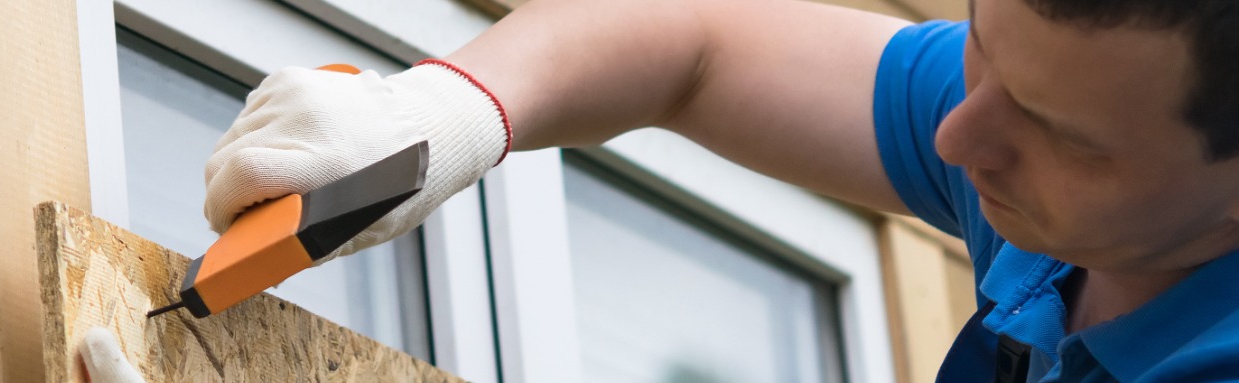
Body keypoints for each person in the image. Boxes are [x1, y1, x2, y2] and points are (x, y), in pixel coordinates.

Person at [89, 0, 1239, 381]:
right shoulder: (1044, 137)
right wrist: (445, 115)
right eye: (985, 40)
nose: (957, 129)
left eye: (1059, 137)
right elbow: (692, 45)